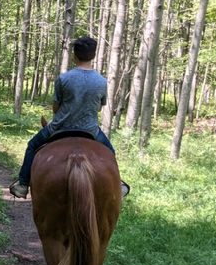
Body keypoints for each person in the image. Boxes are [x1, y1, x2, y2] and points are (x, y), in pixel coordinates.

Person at [9, 36, 128, 198]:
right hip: (90, 129)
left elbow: (56, 107)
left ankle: (23, 184)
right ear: (93, 55)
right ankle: (117, 183)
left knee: (32, 145)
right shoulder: (101, 81)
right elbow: (99, 108)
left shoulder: (63, 79)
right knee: (110, 151)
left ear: (74, 55)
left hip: (59, 127)